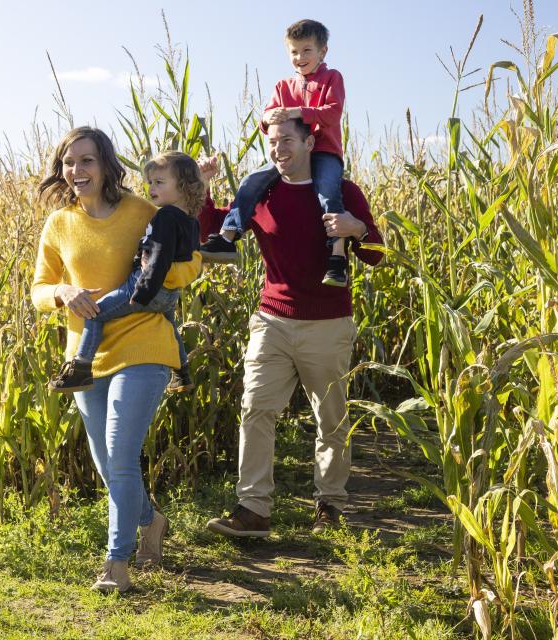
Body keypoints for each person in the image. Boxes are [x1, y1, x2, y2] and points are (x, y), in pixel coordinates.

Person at [31, 127, 202, 593]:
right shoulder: (59, 224)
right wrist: (63, 293)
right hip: (84, 357)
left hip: (142, 344)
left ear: (106, 165)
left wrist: (163, 280)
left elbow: (187, 260)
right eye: (69, 162)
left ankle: (115, 563)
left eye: (87, 160)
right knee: (107, 465)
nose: (77, 170)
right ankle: (150, 520)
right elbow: (38, 290)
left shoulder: (142, 210)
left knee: (122, 457)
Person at [201, 117, 383, 537]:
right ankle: (253, 509)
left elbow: (375, 255)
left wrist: (357, 229)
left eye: (287, 139)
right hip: (272, 321)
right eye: (271, 141)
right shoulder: (262, 192)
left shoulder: (342, 192)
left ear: (310, 141)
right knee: (256, 409)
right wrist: (205, 186)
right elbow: (213, 231)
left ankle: (330, 505)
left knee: (331, 418)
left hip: (327, 323)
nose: (278, 148)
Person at [200, 19, 350, 287]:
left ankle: (337, 259)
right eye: (294, 52)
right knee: (251, 181)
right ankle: (228, 236)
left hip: (324, 152)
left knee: (328, 192)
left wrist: (294, 112)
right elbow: (266, 120)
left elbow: (332, 112)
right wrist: (271, 116)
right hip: (291, 156)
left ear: (322, 52)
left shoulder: (331, 78)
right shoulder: (283, 86)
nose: (299, 58)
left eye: (306, 51)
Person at [47, 151, 204, 395]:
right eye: (150, 182)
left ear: (183, 187)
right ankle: (182, 372)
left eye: (159, 183)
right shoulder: (191, 221)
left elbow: (159, 257)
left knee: (95, 311)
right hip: (168, 295)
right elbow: (190, 254)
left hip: (145, 287)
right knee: (170, 322)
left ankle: (81, 368)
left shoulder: (162, 216)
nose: (151, 188)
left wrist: (143, 291)